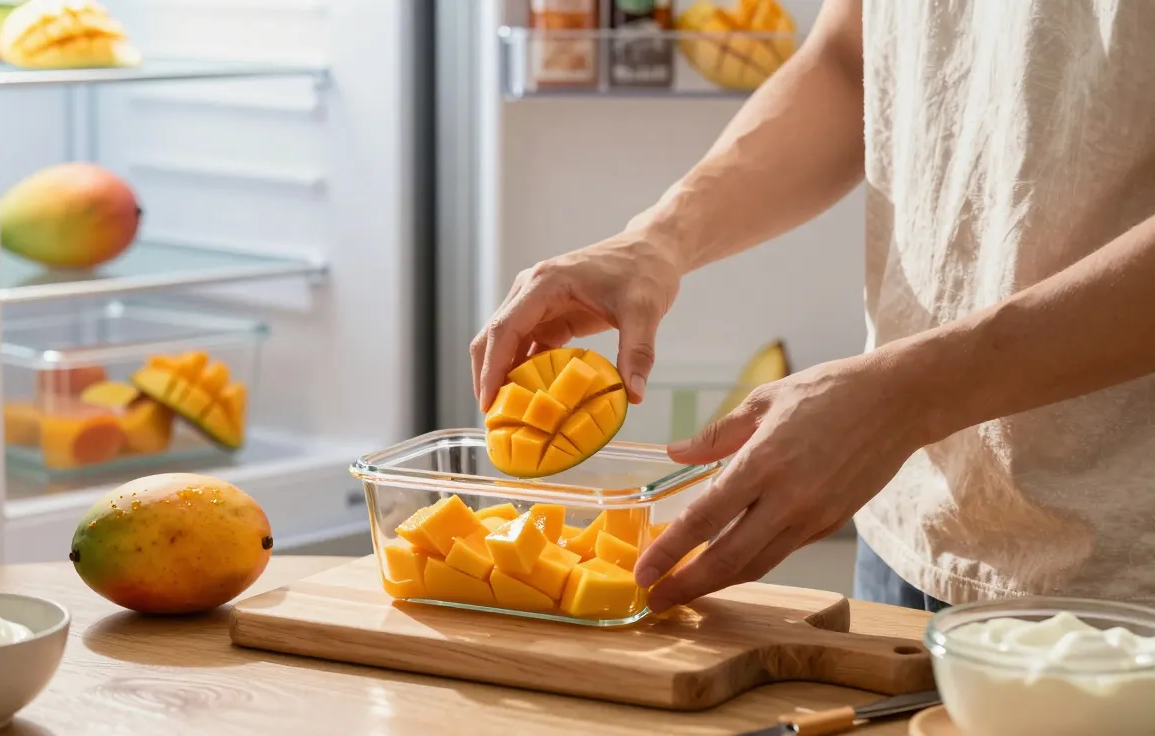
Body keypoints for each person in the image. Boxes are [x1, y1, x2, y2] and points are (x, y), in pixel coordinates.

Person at [470, 0, 1155, 614]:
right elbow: (851, 62)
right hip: (907, 530)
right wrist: (658, 238)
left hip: (1121, 572)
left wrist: (912, 394)